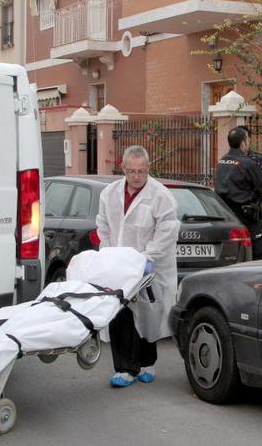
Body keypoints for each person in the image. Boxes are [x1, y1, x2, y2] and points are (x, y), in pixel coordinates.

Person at [96, 145, 180, 388]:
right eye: (132, 171)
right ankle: (124, 369)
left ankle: (147, 363)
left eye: (141, 171)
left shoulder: (161, 196)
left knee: (147, 316)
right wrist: (109, 251)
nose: (136, 176)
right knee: (120, 313)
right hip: (118, 264)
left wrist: (146, 257)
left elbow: (167, 231)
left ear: (148, 169)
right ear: (123, 168)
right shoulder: (109, 193)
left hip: (149, 266)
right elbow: (103, 224)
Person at [215, 126, 262, 259]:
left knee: (235, 250)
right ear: (243, 142)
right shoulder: (249, 163)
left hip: (226, 213)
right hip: (247, 215)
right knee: (258, 251)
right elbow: (261, 186)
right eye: (248, 140)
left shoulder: (222, 161)